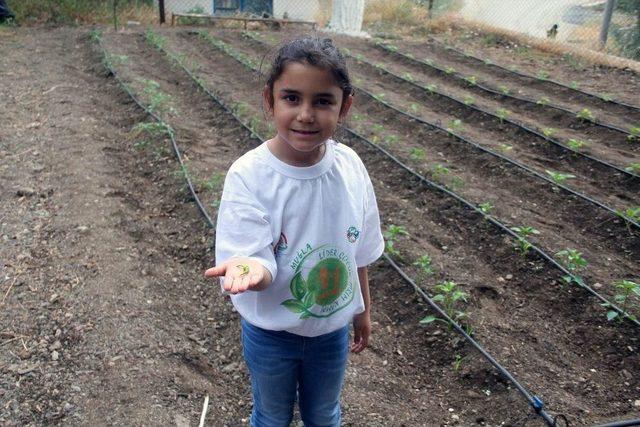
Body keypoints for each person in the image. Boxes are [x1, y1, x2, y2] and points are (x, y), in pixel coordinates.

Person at [204, 37, 384, 427]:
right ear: (269, 99)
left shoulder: (350, 167)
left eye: (322, 101)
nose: (306, 114)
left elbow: (360, 252)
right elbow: (254, 257)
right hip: (271, 335)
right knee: (271, 416)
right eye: (291, 98)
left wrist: (363, 312)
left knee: (324, 414)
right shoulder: (250, 176)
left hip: (330, 332)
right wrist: (250, 270)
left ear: (344, 105)